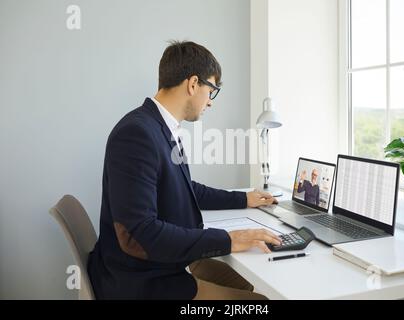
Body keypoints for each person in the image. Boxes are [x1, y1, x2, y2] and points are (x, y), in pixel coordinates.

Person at [87, 41, 281, 300]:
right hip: (141, 284)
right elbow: (138, 235)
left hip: (158, 267)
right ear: (193, 84)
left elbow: (186, 189)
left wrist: (243, 198)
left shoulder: (160, 128)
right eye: (211, 90)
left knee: (247, 283)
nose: (210, 102)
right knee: (260, 302)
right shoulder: (137, 134)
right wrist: (228, 239)